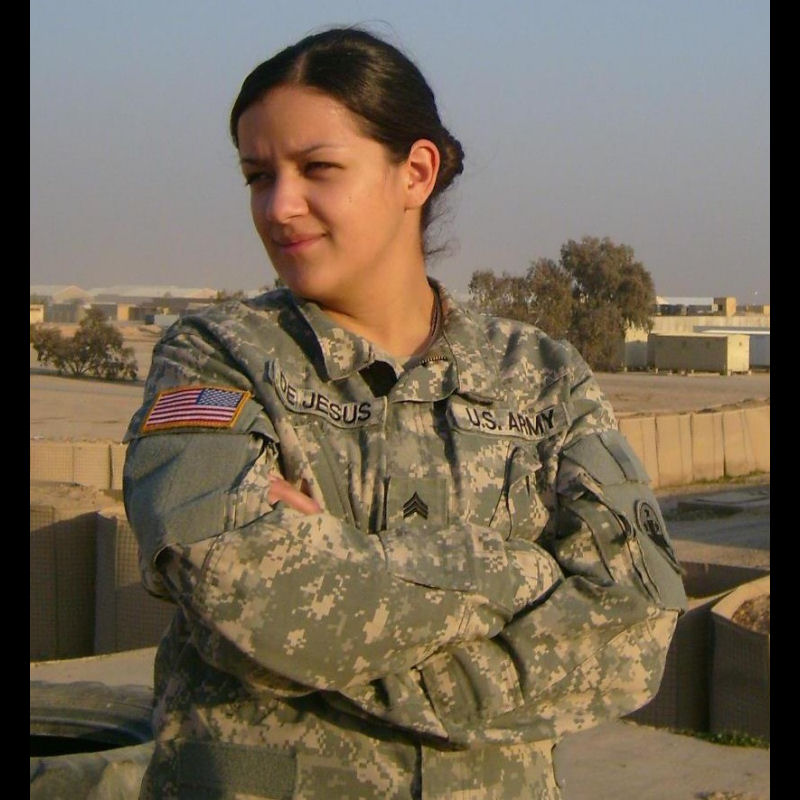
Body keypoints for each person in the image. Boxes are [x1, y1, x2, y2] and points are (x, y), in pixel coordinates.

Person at [122, 26, 688, 800]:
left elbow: (632, 631)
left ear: (415, 172)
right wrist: (512, 574)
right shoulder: (219, 357)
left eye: (317, 168)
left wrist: (323, 634)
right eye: (258, 176)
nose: (279, 206)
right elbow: (246, 591)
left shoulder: (543, 380)